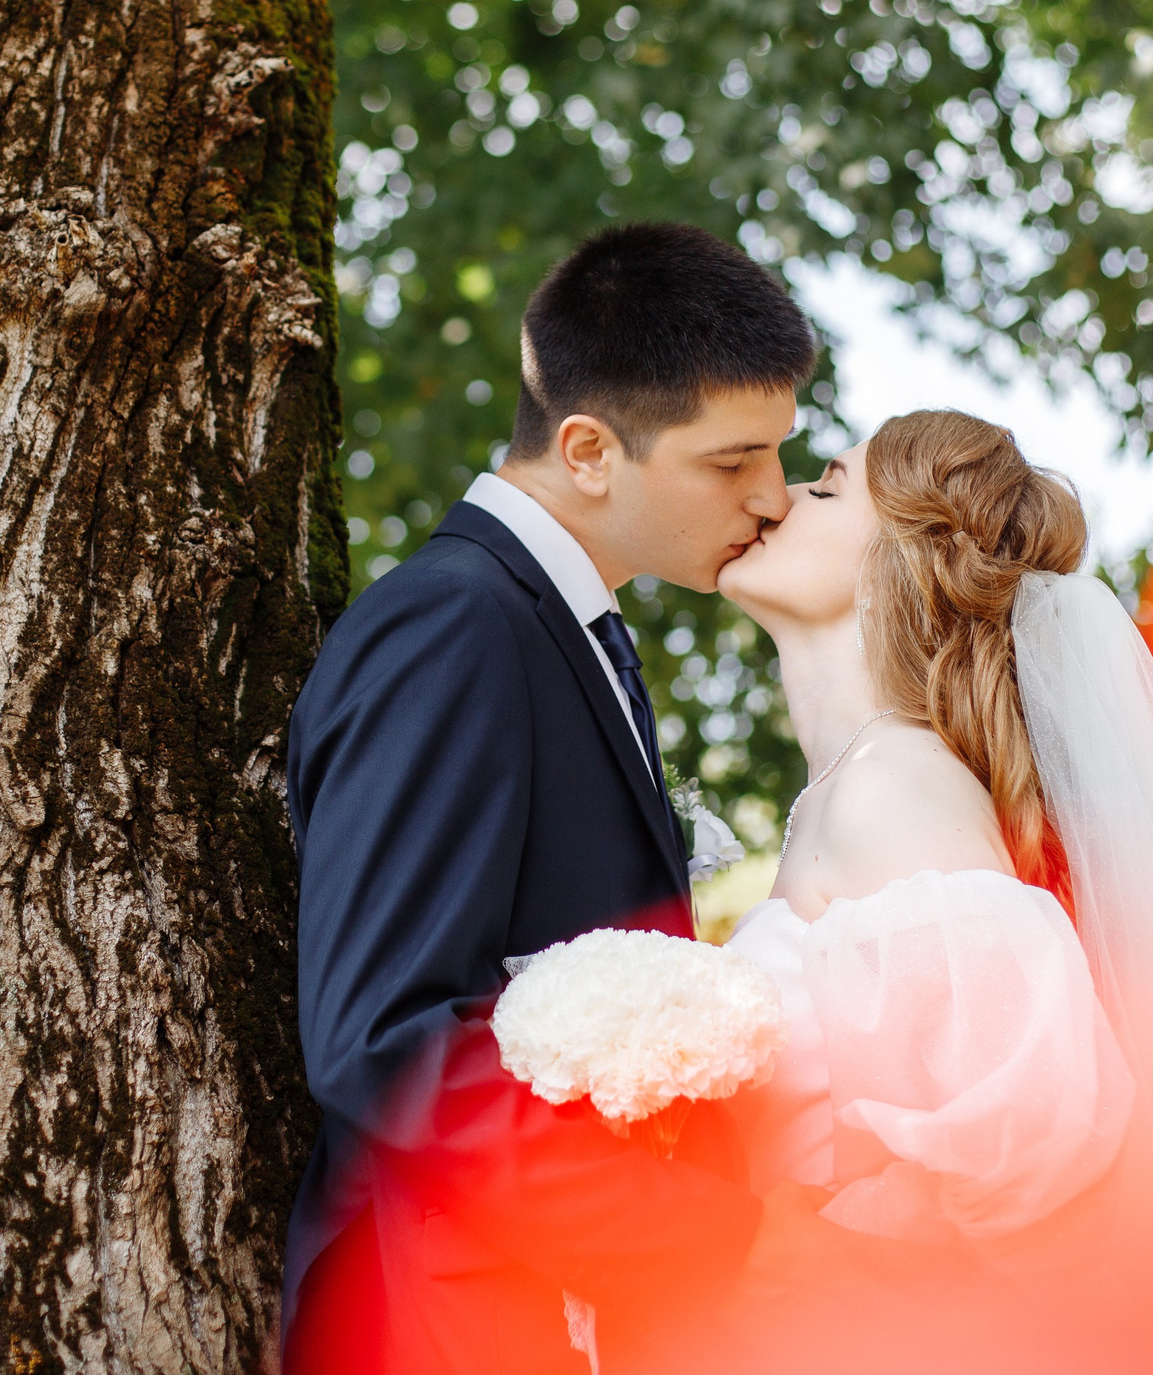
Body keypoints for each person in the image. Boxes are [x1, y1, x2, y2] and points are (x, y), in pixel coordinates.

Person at [282, 223, 831, 1374]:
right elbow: (385, 1036)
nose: (773, 498)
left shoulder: (566, 628)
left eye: (780, 454)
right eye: (732, 462)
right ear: (588, 449)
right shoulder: (456, 626)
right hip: (448, 1321)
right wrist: (707, 1239)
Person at [704, 409, 1153, 1370]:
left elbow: (1033, 1154)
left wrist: (801, 1262)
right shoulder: (842, 796)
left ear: (905, 559)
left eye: (828, 483)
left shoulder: (895, 790)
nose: (779, 496)